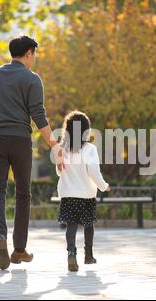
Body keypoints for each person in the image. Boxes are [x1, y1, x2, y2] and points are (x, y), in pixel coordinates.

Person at [0, 36, 64, 270]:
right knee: (23, 192)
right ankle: (19, 249)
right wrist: (55, 145)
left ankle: (0, 236)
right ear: (29, 53)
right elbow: (38, 115)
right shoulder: (32, 79)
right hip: (20, 141)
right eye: (35, 54)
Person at [56, 110, 110, 272]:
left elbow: (59, 172)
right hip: (86, 194)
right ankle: (88, 255)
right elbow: (93, 172)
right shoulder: (90, 149)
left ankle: (71, 252)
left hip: (68, 194)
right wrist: (103, 185)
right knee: (88, 224)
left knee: (71, 225)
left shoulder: (61, 149)